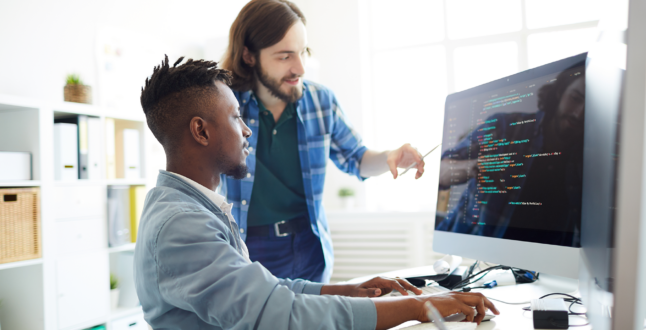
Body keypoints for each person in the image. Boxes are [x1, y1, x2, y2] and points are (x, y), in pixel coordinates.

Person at [133, 56, 499, 329]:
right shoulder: (182, 225)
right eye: (235, 117)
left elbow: (270, 290)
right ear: (201, 131)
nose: (247, 131)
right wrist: (422, 307)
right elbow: (280, 314)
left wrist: (348, 290)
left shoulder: (193, 207)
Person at [220, 0, 426, 283]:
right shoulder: (224, 106)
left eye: (303, 52)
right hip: (246, 248)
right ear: (249, 56)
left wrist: (391, 155)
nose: (300, 68)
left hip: (308, 248)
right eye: (285, 57)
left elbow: (356, 157)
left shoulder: (321, 101)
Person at [436, 65, 586, 246]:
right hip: (472, 253)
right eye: (575, 98)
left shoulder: (591, 157)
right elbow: (442, 171)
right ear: (560, 92)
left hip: (547, 268)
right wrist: (473, 167)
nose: (579, 113)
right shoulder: (505, 127)